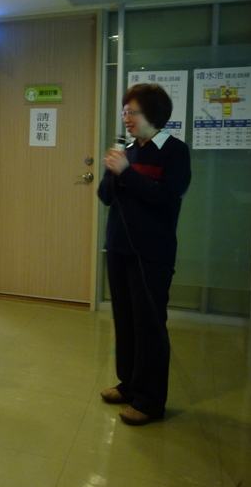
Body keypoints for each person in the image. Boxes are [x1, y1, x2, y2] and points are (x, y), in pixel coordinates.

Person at [97, 83, 191, 427]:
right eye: (124, 112)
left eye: (132, 112)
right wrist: (112, 171)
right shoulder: (128, 150)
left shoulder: (174, 151)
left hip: (151, 253)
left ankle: (150, 401)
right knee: (125, 320)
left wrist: (127, 173)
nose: (126, 118)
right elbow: (106, 197)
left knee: (149, 325)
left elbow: (166, 197)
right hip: (118, 247)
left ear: (153, 113)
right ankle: (129, 385)